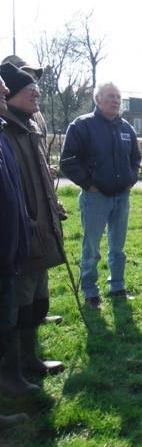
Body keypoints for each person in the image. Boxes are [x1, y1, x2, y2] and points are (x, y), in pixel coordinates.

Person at [0, 63, 65, 383]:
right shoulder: (7, 131)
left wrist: (53, 206)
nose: (37, 92)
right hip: (19, 236)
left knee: (38, 301)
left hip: (40, 232)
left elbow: (39, 178)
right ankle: (12, 374)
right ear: (10, 94)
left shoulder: (30, 128)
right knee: (17, 308)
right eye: (30, 90)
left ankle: (30, 358)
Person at [60, 82, 142, 309]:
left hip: (121, 197)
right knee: (92, 248)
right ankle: (90, 292)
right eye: (110, 96)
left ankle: (117, 287)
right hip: (95, 197)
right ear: (97, 100)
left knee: (118, 248)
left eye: (118, 96)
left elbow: (136, 159)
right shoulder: (82, 125)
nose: (115, 100)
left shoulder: (126, 128)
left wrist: (131, 179)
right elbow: (67, 160)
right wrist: (89, 184)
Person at [0, 72, 32, 428]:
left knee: (4, 327)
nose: (6, 91)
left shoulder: (2, 136)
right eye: (0, 88)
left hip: (8, 256)